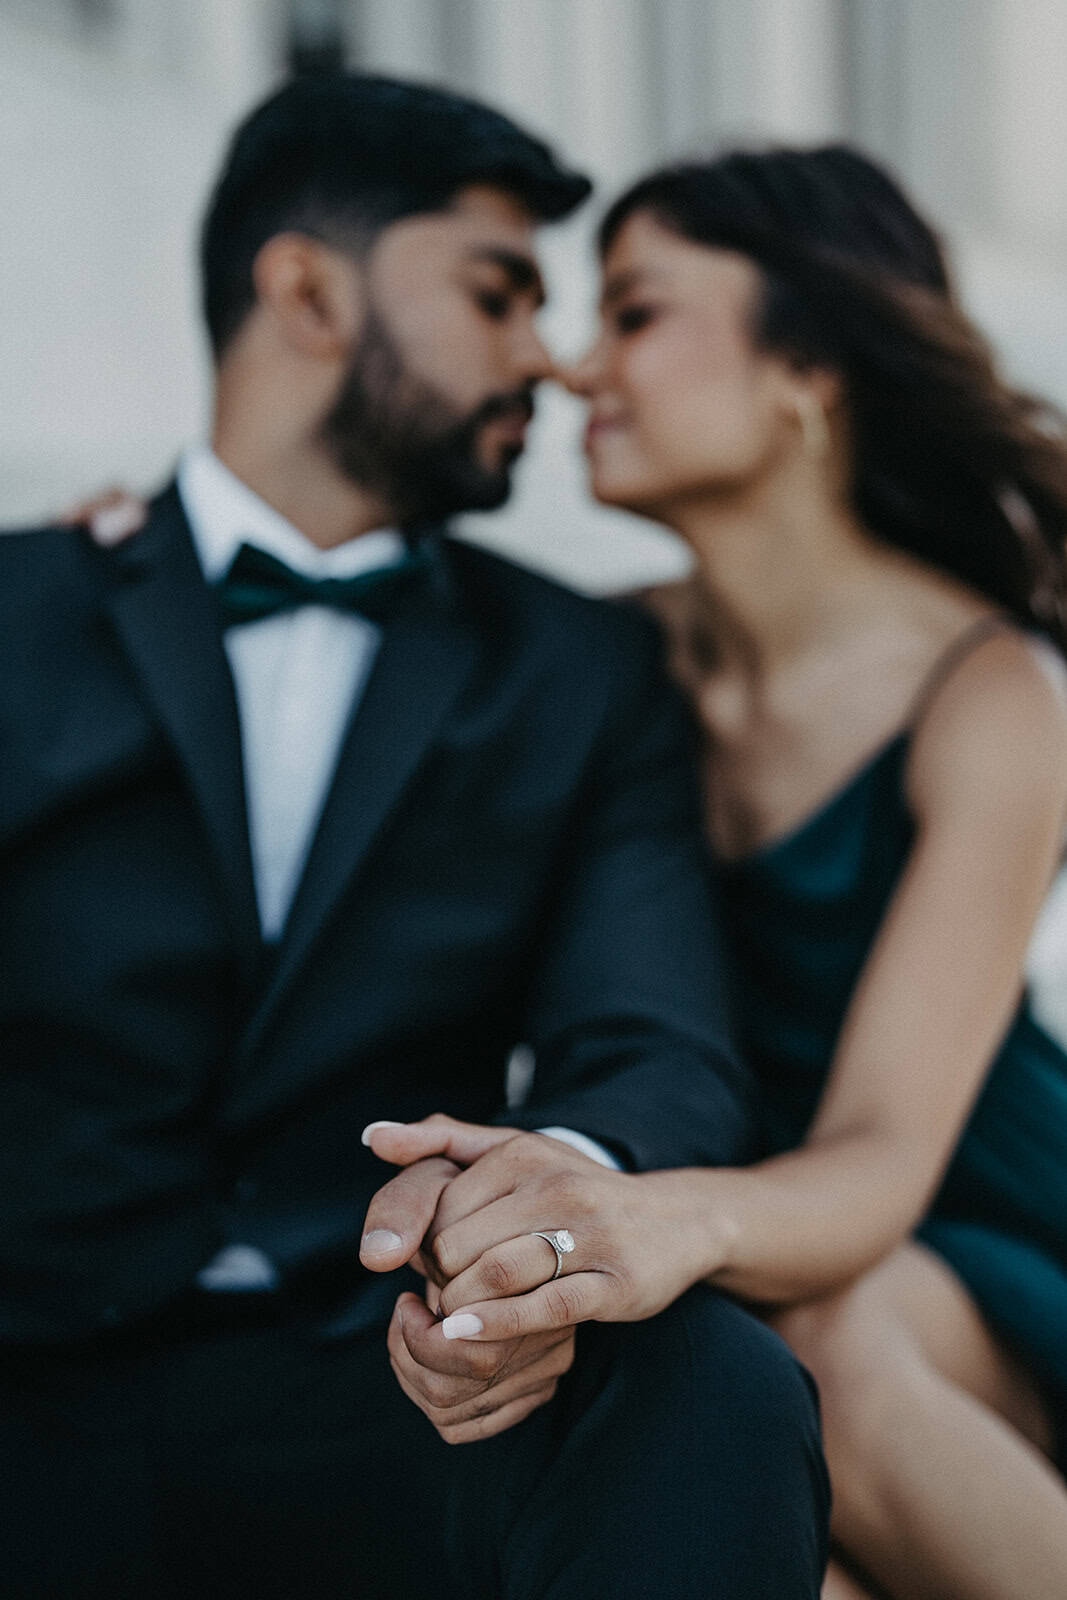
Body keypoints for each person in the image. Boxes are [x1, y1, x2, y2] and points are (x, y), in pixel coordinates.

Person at [0, 77, 829, 1599]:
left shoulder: (579, 671)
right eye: (498, 292)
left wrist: (539, 1217)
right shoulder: (20, 609)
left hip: (390, 1375)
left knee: (710, 1385)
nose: (547, 357)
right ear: (308, 290)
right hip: (26, 1374)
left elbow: (653, 1038)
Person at [365, 145, 1067, 1600]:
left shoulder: (992, 698)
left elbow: (882, 1152)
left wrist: (649, 1222)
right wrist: (132, 551)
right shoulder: (608, 656)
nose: (570, 367)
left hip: (958, 1226)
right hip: (725, 1230)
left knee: (825, 1348)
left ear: (806, 366)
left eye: (635, 312)